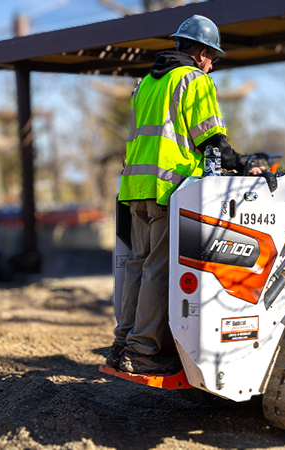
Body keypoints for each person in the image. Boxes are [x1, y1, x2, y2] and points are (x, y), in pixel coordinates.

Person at [108, 15, 262, 374]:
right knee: (160, 269)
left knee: (138, 266)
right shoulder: (194, 80)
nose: (212, 65)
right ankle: (141, 351)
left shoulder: (146, 82)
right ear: (202, 52)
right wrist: (244, 165)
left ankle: (122, 343)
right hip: (169, 187)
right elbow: (211, 140)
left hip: (135, 188)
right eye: (213, 58)